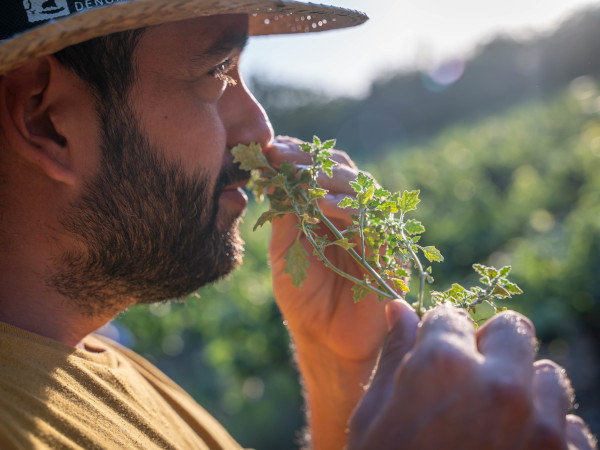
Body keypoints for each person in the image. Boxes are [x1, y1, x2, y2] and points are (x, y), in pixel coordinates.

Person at [0, 1, 596, 449]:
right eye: (215, 72)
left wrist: (339, 367)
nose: (258, 129)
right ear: (47, 121)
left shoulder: (90, 357)